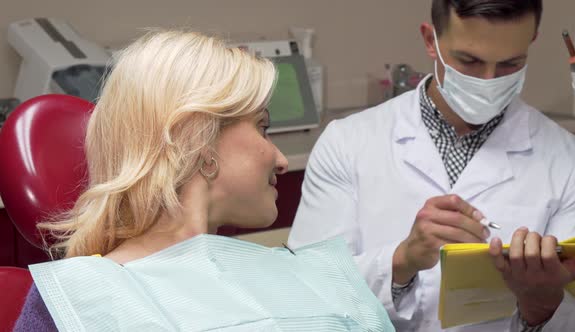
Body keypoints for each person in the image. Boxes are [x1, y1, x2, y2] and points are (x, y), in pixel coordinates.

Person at [14, 30, 394, 331]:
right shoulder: (76, 302)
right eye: (263, 128)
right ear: (201, 140)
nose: (279, 159)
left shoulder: (309, 278)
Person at [289, 0, 575, 331]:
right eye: (469, 60)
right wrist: (403, 261)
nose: (488, 80)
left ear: (531, 41)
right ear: (431, 40)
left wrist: (543, 306)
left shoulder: (573, 164)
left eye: (510, 64)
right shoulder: (347, 144)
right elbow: (305, 296)